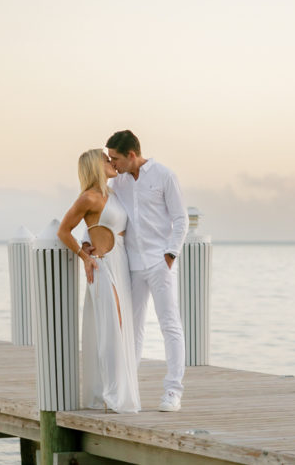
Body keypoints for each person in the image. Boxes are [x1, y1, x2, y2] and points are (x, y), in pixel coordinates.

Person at [102, 130, 188, 412]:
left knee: (169, 325)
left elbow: (180, 218)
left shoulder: (164, 175)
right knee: (133, 328)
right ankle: (129, 389)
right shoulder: (120, 183)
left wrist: (170, 254)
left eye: (115, 158)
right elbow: (103, 213)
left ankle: (173, 392)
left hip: (159, 262)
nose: (113, 164)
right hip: (132, 264)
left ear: (131, 155)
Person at [57, 149, 140, 413]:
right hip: (103, 267)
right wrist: (84, 256)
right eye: (107, 160)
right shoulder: (88, 198)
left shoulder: (112, 193)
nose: (112, 163)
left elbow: (96, 227)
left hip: (121, 262)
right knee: (110, 328)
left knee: (121, 326)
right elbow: (62, 230)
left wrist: (85, 239)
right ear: (96, 166)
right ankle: (111, 396)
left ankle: (113, 393)